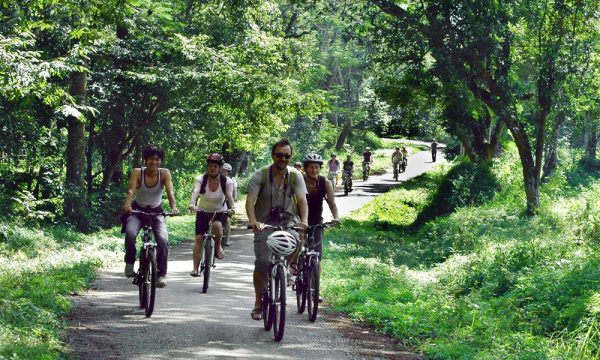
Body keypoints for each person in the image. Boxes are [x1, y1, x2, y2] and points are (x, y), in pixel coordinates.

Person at [246, 138, 308, 321]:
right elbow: (250, 201)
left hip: (288, 221)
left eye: (287, 156)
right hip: (264, 222)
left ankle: (286, 268)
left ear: (290, 157)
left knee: (298, 238)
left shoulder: (296, 175)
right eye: (279, 155)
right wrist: (253, 221)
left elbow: (302, 200)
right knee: (263, 262)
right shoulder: (261, 175)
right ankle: (258, 302)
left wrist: (303, 221)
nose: (283, 159)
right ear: (273, 155)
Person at [122, 145, 179, 288]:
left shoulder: (164, 173)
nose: (154, 162)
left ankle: (160, 275)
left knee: (163, 240)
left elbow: (170, 192)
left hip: (156, 212)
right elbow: (131, 191)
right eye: (151, 159)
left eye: (157, 159)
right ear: (145, 160)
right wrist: (127, 205)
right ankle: (129, 262)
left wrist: (174, 207)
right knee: (130, 233)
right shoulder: (137, 172)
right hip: (137, 211)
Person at [188, 153, 235, 276]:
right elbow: (196, 191)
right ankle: (195, 268)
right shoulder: (201, 179)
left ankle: (218, 247)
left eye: (215, 166)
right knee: (199, 238)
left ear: (219, 168)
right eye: (210, 166)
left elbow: (229, 195)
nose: (212, 168)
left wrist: (233, 207)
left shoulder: (227, 181)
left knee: (217, 226)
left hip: (220, 211)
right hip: (203, 210)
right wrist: (192, 204)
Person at [221, 163, 238, 247]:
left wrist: (233, 200)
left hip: (227, 202)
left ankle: (227, 238)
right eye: (223, 171)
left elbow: (234, 193)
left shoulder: (231, 180)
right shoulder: (216, 179)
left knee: (227, 220)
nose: (225, 172)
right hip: (217, 201)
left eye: (226, 171)